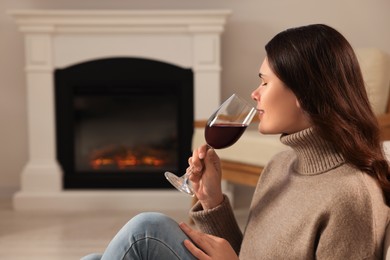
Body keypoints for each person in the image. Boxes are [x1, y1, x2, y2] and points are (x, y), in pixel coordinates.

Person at [82, 24, 390, 259]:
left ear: (304, 93)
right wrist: (212, 199)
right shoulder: (280, 166)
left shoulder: (351, 197)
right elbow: (248, 253)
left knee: (145, 232)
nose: (255, 93)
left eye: (265, 81)